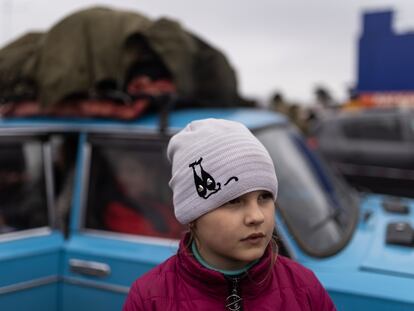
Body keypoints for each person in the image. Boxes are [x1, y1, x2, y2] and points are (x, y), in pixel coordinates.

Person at [122, 118, 336, 311]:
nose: (256, 216)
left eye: (264, 197)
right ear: (193, 215)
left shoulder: (304, 286)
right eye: (233, 200)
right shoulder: (150, 299)